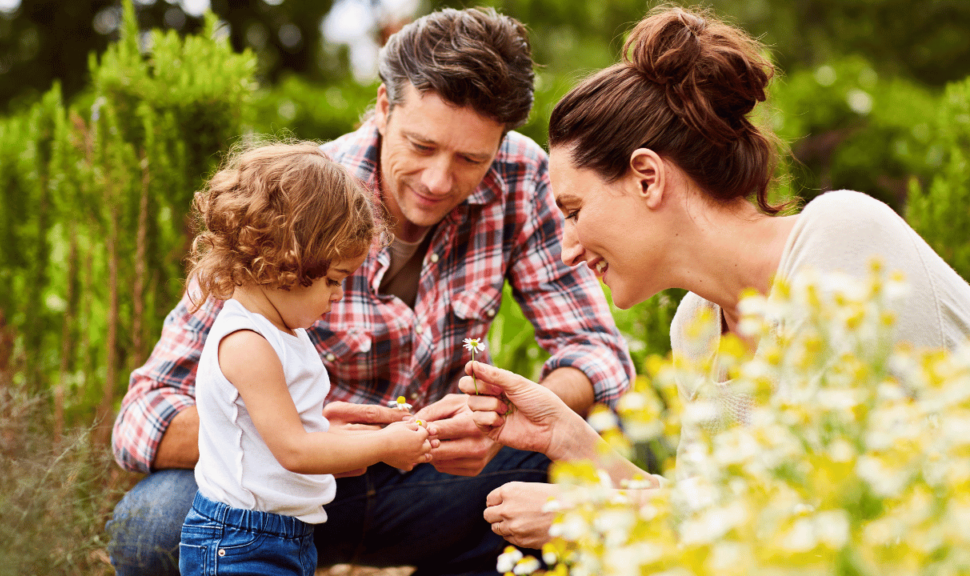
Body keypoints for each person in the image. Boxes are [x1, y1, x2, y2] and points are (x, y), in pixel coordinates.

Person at [107, 7, 636, 576]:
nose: (439, 180)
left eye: (469, 159)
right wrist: (306, 434)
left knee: (603, 454)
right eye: (422, 146)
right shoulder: (293, 200)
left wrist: (499, 418)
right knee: (153, 527)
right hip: (284, 491)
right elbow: (144, 418)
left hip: (433, 483)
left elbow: (595, 352)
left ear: (501, 143)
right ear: (383, 107)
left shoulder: (521, 178)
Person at [457, 4, 970, 548]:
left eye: (575, 211)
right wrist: (572, 441)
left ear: (648, 178)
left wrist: (593, 513)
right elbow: (717, 525)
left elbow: (857, 514)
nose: (567, 248)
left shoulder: (842, 240)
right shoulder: (698, 327)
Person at [178, 142, 435, 576]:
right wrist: (385, 446)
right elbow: (294, 451)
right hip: (241, 541)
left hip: (280, 534)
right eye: (333, 280)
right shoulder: (248, 343)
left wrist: (341, 432)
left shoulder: (280, 330)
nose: (338, 294)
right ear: (282, 262)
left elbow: (287, 433)